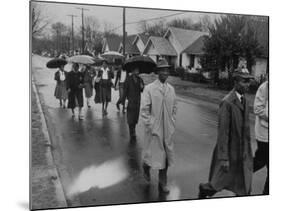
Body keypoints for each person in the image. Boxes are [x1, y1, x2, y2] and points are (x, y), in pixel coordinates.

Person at [198, 69, 254, 198]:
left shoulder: (245, 101)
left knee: (244, 186)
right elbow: (223, 133)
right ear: (235, 82)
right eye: (244, 81)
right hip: (229, 154)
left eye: (248, 81)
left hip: (242, 153)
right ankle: (204, 190)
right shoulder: (227, 103)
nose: (247, 84)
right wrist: (223, 158)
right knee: (218, 183)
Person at [141, 59, 177, 193]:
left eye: (167, 70)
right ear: (157, 72)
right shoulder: (149, 88)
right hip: (154, 129)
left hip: (167, 129)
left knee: (166, 156)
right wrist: (150, 125)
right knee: (151, 155)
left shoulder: (171, 90)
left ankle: (163, 182)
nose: (165, 73)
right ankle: (145, 167)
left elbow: (174, 107)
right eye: (162, 70)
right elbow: (144, 110)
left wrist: (172, 121)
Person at [253, 76, 269, 194]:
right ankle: (236, 176)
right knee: (259, 162)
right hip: (264, 134)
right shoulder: (264, 87)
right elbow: (258, 109)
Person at [123, 66, 144, 142]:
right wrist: (123, 100)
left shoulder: (140, 79)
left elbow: (142, 89)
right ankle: (131, 131)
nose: (137, 71)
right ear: (132, 71)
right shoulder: (128, 79)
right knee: (130, 117)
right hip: (130, 100)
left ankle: (134, 129)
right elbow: (125, 90)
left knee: (135, 117)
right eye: (136, 70)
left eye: (138, 70)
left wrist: (142, 86)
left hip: (137, 101)